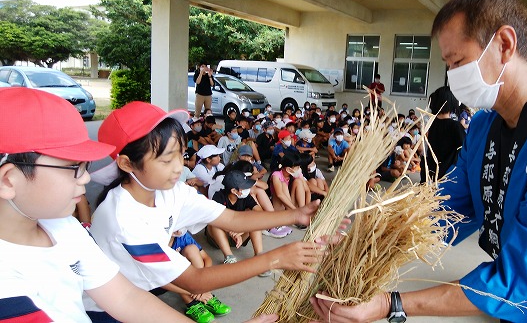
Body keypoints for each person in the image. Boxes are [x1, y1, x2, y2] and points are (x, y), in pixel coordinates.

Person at [310, 0, 527, 323]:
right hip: (514, 308)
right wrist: (364, 240)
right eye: (448, 65)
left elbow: (525, 280)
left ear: (505, 44)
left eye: (459, 61)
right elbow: (443, 209)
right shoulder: (483, 127)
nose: (452, 77)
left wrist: (390, 304)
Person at [84, 101, 326, 322]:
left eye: (180, 153)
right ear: (127, 163)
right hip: (104, 309)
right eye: (167, 160)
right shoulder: (123, 218)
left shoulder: (169, 191)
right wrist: (274, 258)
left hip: (137, 293)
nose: (179, 166)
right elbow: (192, 280)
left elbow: (232, 218)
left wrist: (297, 214)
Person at [0, 88, 192, 322]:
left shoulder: (65, 228)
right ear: (8, 180)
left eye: (85, 166)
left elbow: (127, 298)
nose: (86, 178)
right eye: (73, 167)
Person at [208, 171, 270, 272]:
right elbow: (217, 219)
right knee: (214, 223)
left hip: (239, 235)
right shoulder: (219, 197)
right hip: (218, 238)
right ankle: (229, 257)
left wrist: (240, 230)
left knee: (255, 219)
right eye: (244, 187)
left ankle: (259, 256)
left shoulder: (246, 197)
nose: (247, 189)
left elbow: (260, 213)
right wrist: (232, 230)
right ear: (233, 190)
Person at [421, 86, 467, 182]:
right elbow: (464, 149)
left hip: (430, 173)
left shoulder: (430, 124)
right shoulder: (455, 126)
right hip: (448, 175)